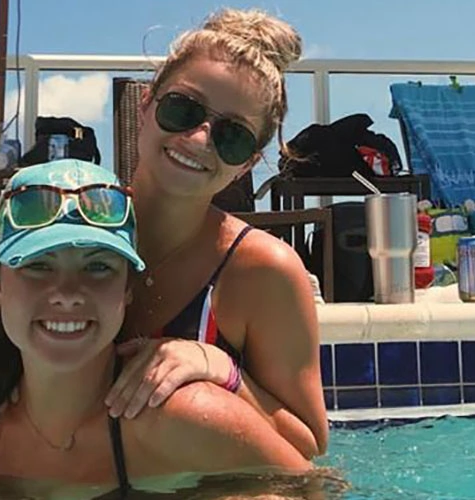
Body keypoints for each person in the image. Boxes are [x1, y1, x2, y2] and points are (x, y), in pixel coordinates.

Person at [0, 159, 310, 498]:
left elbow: (314, 490)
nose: (67, 294)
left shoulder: (183, 417)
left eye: (98, 268)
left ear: (127, 290)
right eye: (39, 265)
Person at [105, 8, 330, 458]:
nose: (200, 138)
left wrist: (220, 369)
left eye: (233, 136)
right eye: (182, 109)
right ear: (145, 106)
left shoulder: (263, 271)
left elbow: (308, 445)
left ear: (247, 163)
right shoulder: (78, 228)